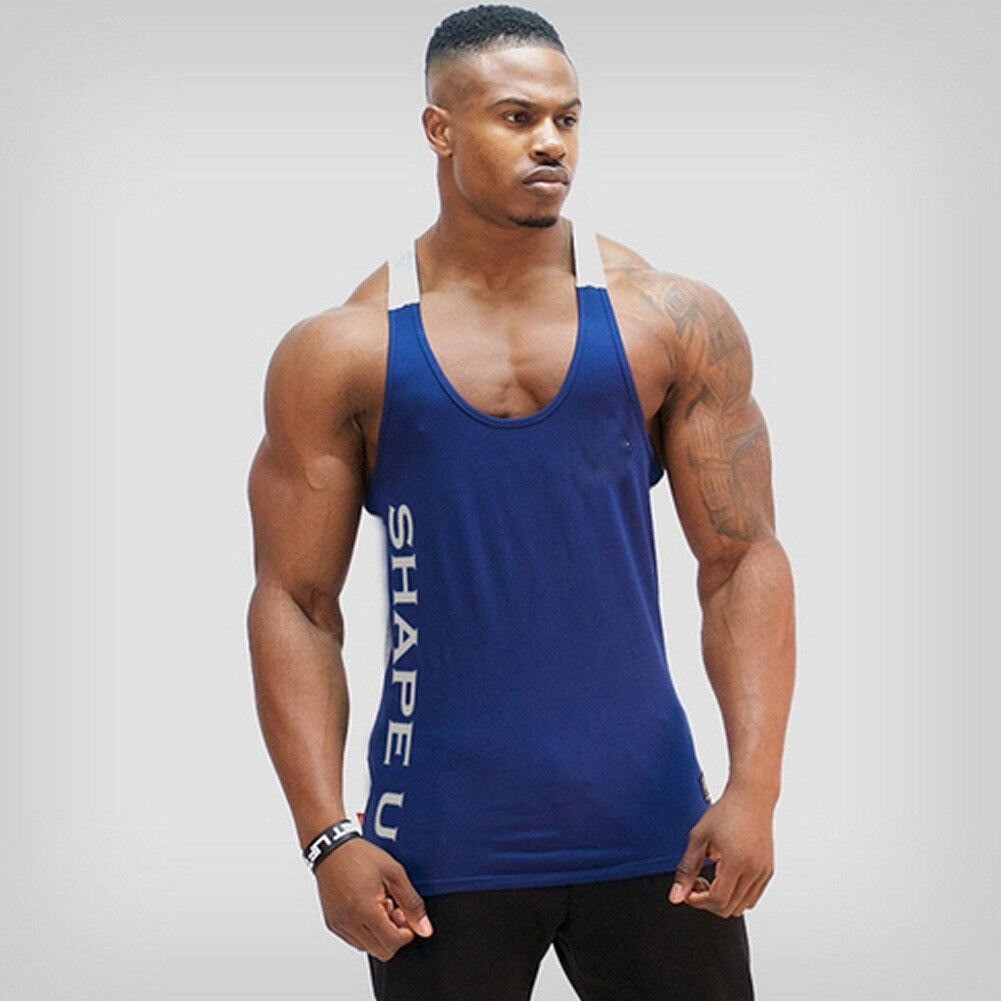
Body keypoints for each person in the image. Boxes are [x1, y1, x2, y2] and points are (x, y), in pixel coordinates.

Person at [246, 5, 795, 1000]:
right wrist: (326, 834)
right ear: (439, 129)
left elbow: (741, 558)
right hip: (434, 845)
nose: (551, 142)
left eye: (566, 118)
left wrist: (752, 789)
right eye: (516, 116)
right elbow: (295, 601)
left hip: (655, 831)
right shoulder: (344, 348)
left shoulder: (667, 320)